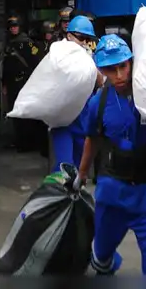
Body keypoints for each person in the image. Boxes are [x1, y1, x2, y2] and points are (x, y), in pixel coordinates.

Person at [76, 35, 146, 276]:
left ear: (132, 62)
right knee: (102, 255)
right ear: (100, 69)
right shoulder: (99, 103)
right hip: (112, 192)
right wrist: (81, 174)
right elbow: (92, 139)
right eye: (110, 69)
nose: (118, 75)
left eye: (122, 67)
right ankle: (104, 262)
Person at [50, 15, 100, 173]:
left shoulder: (88, 56)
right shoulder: (58, 52)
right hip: (63, 115)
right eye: (81, 38)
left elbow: (100, 80)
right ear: (69, 35)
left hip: (83, 112)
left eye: (88, 39)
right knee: (64, 166)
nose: (85, 42)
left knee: (80, 167)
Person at [1, 14, 40, 153]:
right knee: (14, 113)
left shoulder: (27, 42)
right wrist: (4, 83)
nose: (13, 29)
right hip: (12, 84)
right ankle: (19, 140)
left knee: (26, 113)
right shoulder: (8, 43)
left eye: (15, 26)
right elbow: (6, 66)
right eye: (11, 27)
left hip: (25, 82)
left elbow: (35, 62)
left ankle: (27, 143)